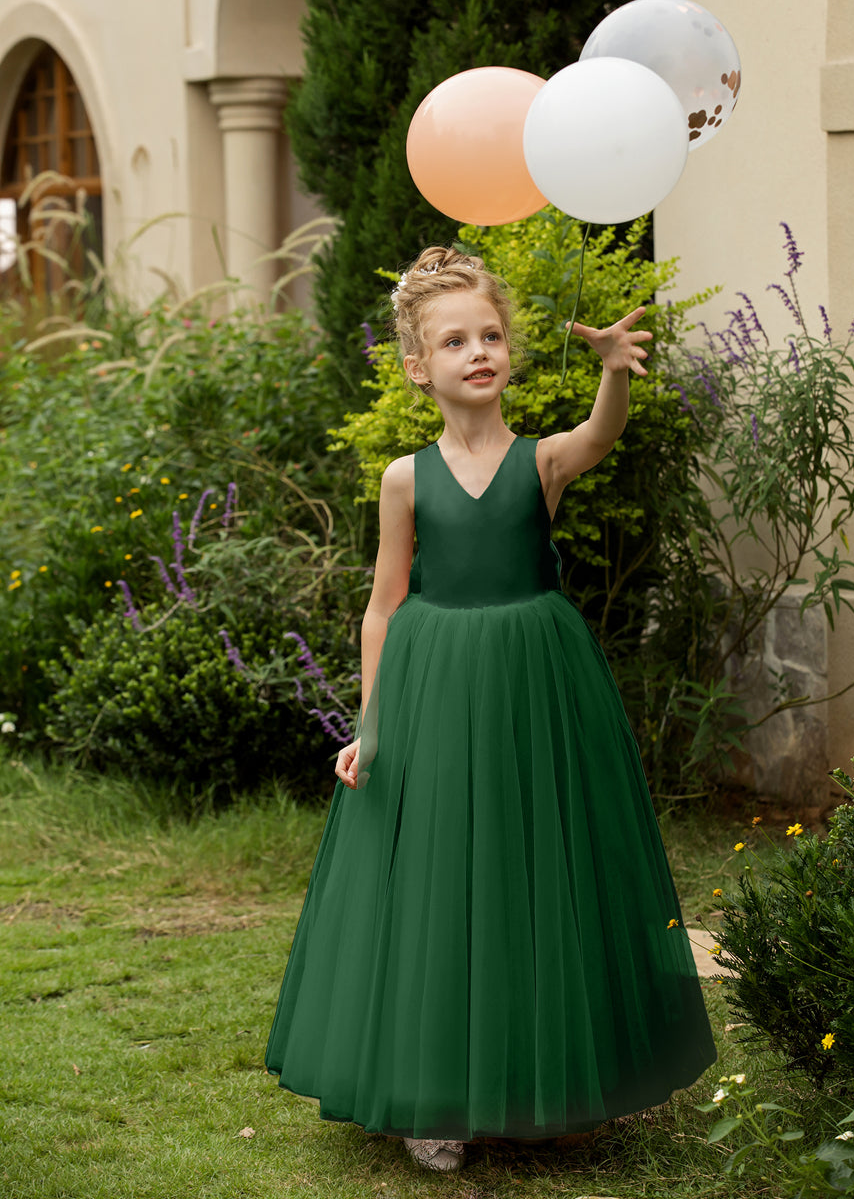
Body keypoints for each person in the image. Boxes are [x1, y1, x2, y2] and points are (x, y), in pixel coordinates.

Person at [265, 246, 717, 1173]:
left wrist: (610, 375)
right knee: (440, 876)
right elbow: (384, 604)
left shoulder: (540, 460)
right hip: (434, 684)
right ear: (416, 366)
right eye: (455, 340)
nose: (479, 351)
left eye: (492, 335)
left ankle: (555, 1078)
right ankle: (436, 1092)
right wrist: (371, 727)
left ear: (509, 351)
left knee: (539, 866)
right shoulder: (405, 478)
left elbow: (600, 437)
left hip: (535, 681)